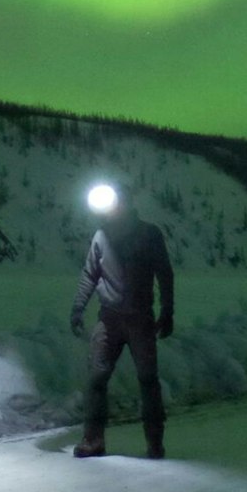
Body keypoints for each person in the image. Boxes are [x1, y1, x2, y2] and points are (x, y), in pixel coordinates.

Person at [68, 181, 175, 459]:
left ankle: (154, 442)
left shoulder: (149, 234)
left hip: (140, 319)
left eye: (115, 203)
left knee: (148, 380)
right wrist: (78, 308)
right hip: (109, 319)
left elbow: (164, 273)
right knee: (96, 378)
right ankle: (93, 440)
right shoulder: (101, 236)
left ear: (126, 204)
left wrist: (167, 310)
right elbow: (89, 274)